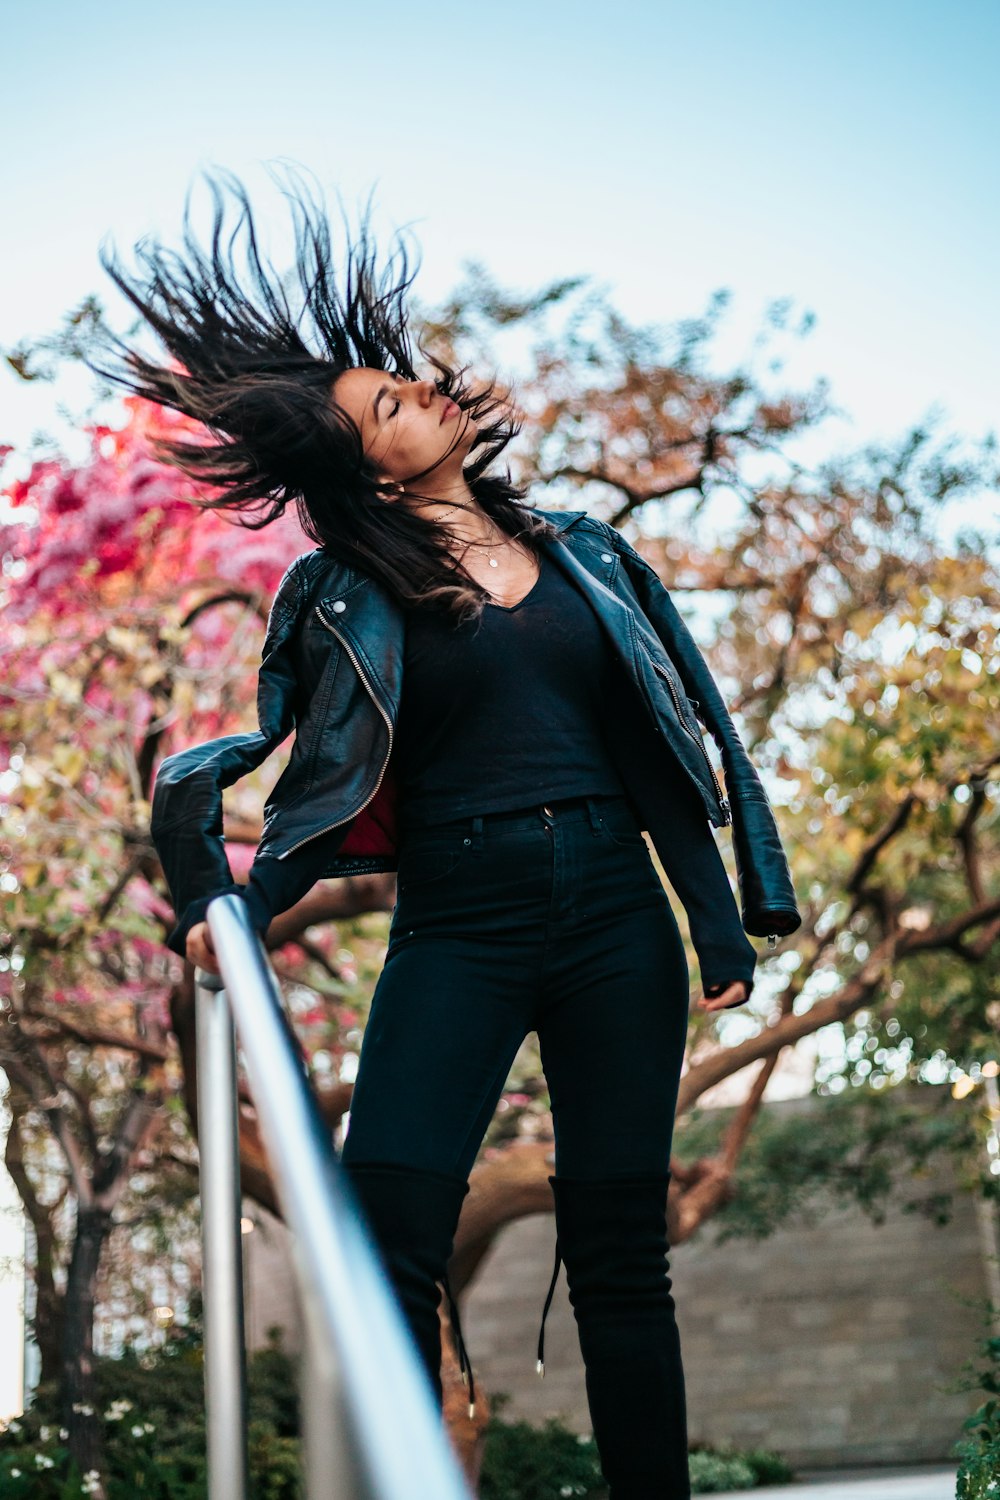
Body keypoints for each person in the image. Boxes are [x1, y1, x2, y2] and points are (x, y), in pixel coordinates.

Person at [89, 164, 801, 1500]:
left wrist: (715, 916)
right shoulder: (344, 589)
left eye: (402, 385)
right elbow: (301, 770)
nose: (417, 393)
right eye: (385, 408)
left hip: (613, 917)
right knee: (386, 1228)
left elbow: (661, 742)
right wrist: (225, 905)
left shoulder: (589, 552)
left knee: (620, 1265)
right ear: (363, 465)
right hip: (459, 922)